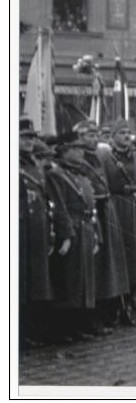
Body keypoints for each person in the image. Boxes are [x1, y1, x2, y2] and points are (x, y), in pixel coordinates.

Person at [74, 120, 129, 330]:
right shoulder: (78, 160)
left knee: (109, 264)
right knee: (95, 265)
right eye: (88, 135)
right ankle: (92, 316)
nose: (94, 139)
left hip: (106, 210)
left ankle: (108, 310)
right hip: (92, 212)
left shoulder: (102, 156)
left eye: (96, 134)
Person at [45, 132, 100, 342]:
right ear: (64, 151)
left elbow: (91, 207)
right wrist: (67, 233)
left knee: (84, 280)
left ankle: (80, 323)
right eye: (75, 149)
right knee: (70, 280)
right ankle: (65, 327)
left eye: (81, 149)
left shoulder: (81, 175)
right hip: (72, 228)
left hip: (85, 227)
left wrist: (96, 234)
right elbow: (59, 206)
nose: (80, 152)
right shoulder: (56, 174)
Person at [102, 119, 136, 319]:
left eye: (128, 132)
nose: (126, 136)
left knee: (134, 256)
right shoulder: (105, 157)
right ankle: (117, 301)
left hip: (134, 210)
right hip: (114, 208)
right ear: (113, 136)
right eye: (122, 132)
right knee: (117, 255)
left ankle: (131, 298)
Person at [19, 119, 54, 347]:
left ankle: (31, 330)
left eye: (32, 137)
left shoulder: (35, 165)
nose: (30, 142)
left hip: (37, 227)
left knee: (35, 280)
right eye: (24, 137)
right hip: (19, 228)